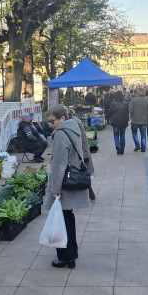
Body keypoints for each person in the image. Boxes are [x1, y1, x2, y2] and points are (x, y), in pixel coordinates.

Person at [44, 105, 91, 269]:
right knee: (68, 218)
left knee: (62, 221)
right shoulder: (73, 128)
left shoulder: (61, 134)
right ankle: (72, 252)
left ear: (62, 118)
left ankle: (66, 257)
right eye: (48, 121)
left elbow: (58, 164)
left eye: (52, 121)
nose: (50, 124)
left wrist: (55, 190)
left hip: (63, 183)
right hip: (70, 179)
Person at [128, 87, 148, 152]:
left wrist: (131, 117)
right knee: (143, 134)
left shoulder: (133, 100)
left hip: (135, 119)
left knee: (134, 132)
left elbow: (130, 110)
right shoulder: (147, 100)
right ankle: (143, 148)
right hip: (144, 120)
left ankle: (137, 145)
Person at [109, 90, 130, 155]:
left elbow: (110, 112)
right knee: (122, 135)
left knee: (116, 135)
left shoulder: (113, 103)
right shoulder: (125, 104)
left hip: (115, 121)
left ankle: (118, 145)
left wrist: (110, 119)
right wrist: (127, 120)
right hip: (123, 121)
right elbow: (127, 113)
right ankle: (122, 150)